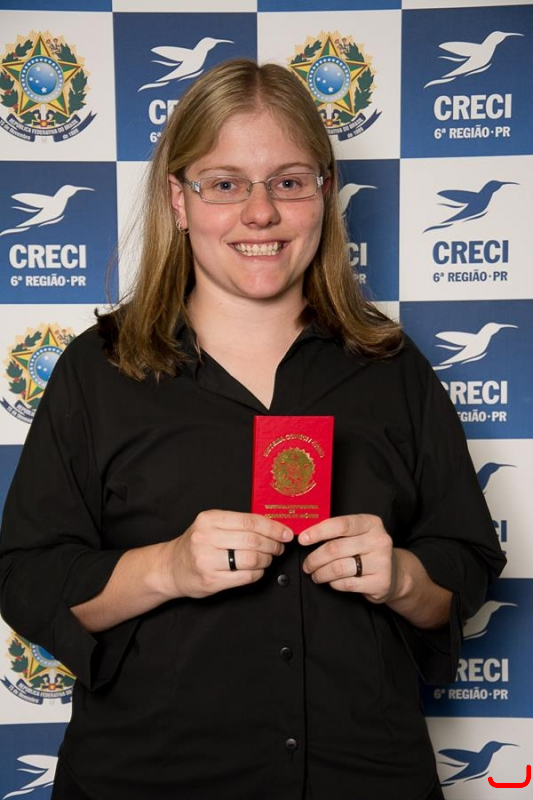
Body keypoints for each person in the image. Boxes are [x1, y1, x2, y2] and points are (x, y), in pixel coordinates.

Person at [0, 59, 505, 800]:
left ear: (324, 193)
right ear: (179, 200)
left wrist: (402, 576)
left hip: (363, 778)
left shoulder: (392, 366)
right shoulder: (98, 370)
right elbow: (27, 579)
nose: (260, 213)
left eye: (288, 182)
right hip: (148, 783)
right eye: (225, 183)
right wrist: (166, 567)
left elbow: (465, 564)